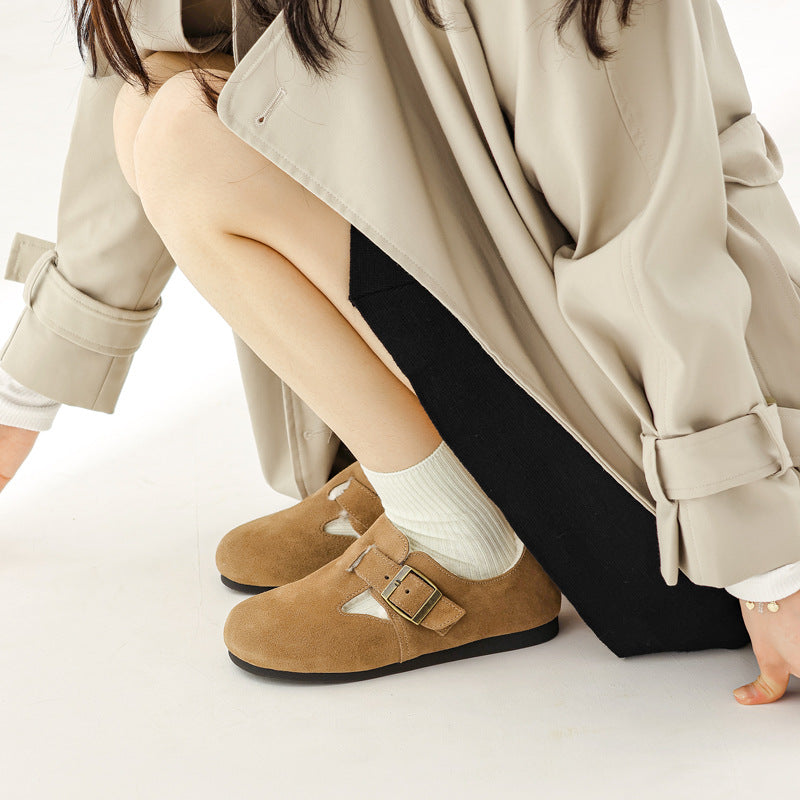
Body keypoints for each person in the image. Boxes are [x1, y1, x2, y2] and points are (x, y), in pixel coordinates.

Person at [2, 0, 800, 698]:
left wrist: (767, 561)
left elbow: (647, 232)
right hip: (543, 336)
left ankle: (471, 545)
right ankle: (433, 476)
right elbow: (147, 43)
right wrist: (26, 388)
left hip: (671, 481)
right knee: (155, 99)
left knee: (192, 141)